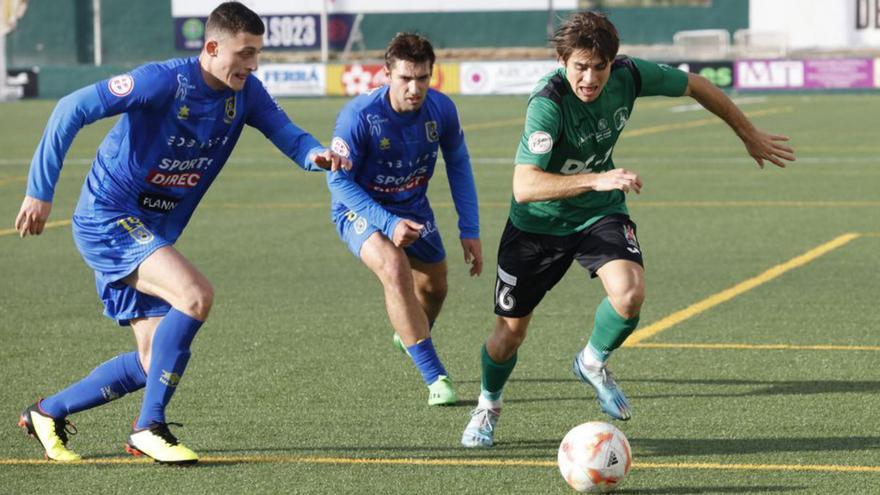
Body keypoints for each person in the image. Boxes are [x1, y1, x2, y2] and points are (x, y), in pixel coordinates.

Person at [14, 2, 350, 464]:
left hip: (148, 230)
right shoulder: (163, 81)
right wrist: (39, 191)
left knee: (153, 361)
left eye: (257, 54)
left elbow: (288, 134)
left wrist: (315, 154)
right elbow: (71, 107)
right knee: (195, 296)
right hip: (108, 218)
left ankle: (47, 412)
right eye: (245, 53)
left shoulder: (246, 94)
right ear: (211, 48)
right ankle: (148, 428)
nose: (253, 64)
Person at [461, 11, 796, 448]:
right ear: (562, 61)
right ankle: (488, 405)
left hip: (599, 212)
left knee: (629, 293)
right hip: (537, 227)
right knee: (509, 335)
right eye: (580, 67)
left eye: (599, 67)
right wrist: (596, 179)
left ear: (612, 63)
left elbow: (697, 85)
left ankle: (591, 361)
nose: (590, 78)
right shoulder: (547, 103)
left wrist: (747, 133)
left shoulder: (629, 74)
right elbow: (525, 187)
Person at [326, 33, 482, 406]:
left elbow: (459, 165)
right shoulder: (358, 116)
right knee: (394, 268)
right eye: (405, 78)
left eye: (423, 78)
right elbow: (338, 181)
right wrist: (388, 223)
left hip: (413, 207)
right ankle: (436, 378)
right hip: (360, 208)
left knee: (435, 288)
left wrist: (470, 228)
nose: (415, 88)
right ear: (387, 74)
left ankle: (409, 331)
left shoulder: (442, 110)